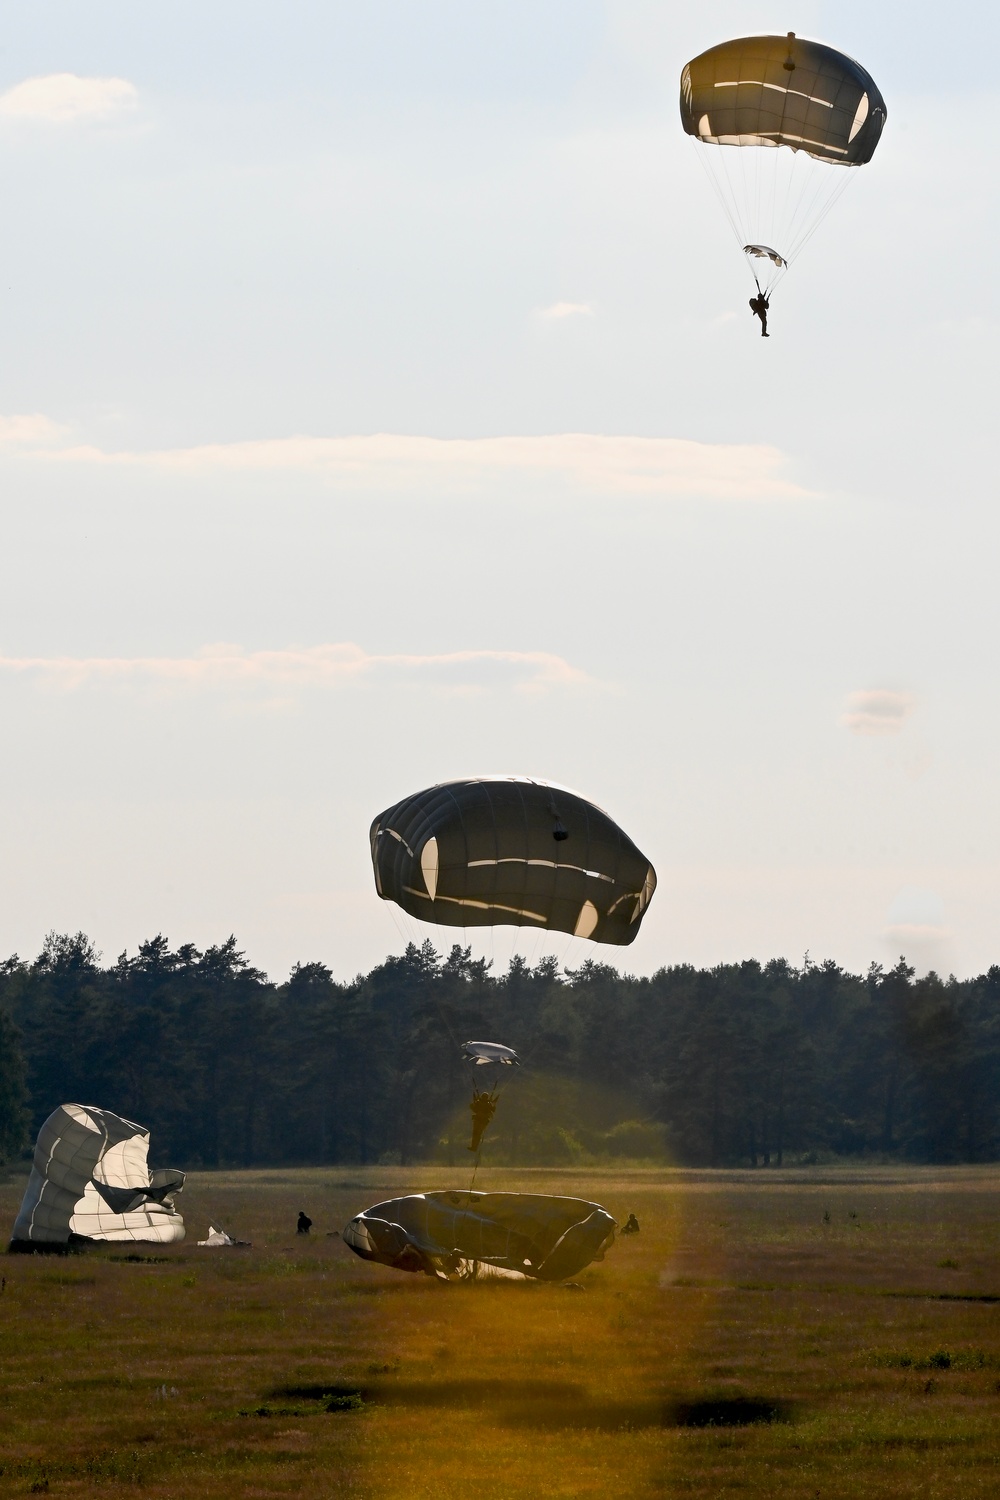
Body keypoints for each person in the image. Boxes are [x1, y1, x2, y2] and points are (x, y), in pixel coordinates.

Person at [468, 1088, 497, 1153]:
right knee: (476, 1134)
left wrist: (475, 1102)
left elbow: (473, 1108)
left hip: (481, 1121)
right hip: (480, 1120)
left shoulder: (485, 1103)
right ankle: (474, 1147)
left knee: (477, 1134)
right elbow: (474, 1108)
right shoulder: (486, 1103)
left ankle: (474, 1147)